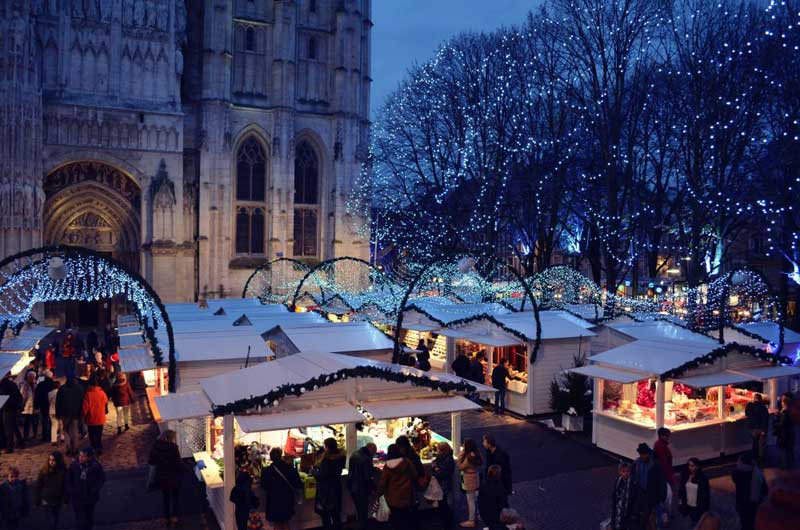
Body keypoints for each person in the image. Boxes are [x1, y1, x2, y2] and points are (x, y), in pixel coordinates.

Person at [260, 447, 303, 530]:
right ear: (281, 456)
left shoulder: (266, 471)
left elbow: (264, 486)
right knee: (285, 521)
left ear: (271, 457)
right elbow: (297, 483)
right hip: (287, 499)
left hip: (273, 500)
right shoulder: (289, 468)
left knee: (277, 523)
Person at [378, 443, 417, 530]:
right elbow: (414, 474)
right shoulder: (407, 462)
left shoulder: (387, 466)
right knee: (406, 517)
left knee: (395, 518)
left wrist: (379, 493)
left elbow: (383, 482)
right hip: (406, 494)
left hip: (393, 496)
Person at [149, 429, 183, 526]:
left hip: (161, 476)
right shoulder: (173, 448)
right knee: (175, 497)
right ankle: (175, 517)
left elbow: (151, 462)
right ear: (171, 438)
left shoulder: (155, 447)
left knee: (166, 497)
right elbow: (178, 463)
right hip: (173, 475)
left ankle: (167, 518)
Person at [66, 447, 105, 530]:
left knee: (88, 517)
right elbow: (68, 479)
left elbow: (101, 479)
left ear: (89, 457)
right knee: (79, 518)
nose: (80, 458)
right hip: (77, 497)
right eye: (80, 455)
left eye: (83, 456)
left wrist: (94, 490)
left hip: (90, 498)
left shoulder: (95, 466)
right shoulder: (74, 465)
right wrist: (72, 491)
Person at [312, 437, 346, 530]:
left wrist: (313, 471)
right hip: (336, 488)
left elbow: (322, 476)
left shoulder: (326, 460)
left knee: (325, 516)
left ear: (326, 447)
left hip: (326, 491)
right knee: (336, 514)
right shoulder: (340, 457)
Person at [631, 443, 666, 528]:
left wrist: (662, 497)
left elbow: (661, 481)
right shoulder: (637, 463)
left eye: (644, 454)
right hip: (642, 493)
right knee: (645, 515)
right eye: (641, 454)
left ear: (648, 453)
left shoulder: (655, 464)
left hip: (654, 494)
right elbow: (634, 477)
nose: (643, 456)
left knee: (657, 516)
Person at [731, 453, 767, 530]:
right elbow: (765, 489)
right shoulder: (757, 472)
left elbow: (733, 474)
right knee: (751, 521)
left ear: (742, 463)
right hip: (754, 503)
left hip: (742, 503)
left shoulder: (738, 473)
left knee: (744, 523)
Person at [34, 451, 68, 530]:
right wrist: (37, 500)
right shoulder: (44, 471)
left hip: (57, 500)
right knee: (50, 521)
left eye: (53, 460)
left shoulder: (63, 471)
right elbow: (38, 486)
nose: (51, 462)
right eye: (50, 460)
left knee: (56, 519)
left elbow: (66, 487)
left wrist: (66, 500)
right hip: (46, 500)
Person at [348, 442, 377, 530]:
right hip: (361, 488)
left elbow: (356, 470)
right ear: (370, 449)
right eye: (374, 452)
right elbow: (367, 477)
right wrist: (374, 488)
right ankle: (363, 527)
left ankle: (361, 525)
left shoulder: (355, 454)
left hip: (353, 486)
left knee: (359, 510)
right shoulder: (366, 459)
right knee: (363, 511)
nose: (374, 454)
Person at [55, 377, 85, 456]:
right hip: (76, 413)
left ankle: (68, 447)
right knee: (75, 431)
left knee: (66, 431)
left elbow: (58, 403)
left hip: (65, 414)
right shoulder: (79, 389)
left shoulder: (62, 389)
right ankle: (75, 448)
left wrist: (58, 413)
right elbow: (82, 401)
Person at [457, 438, 483, 528]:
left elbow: (460, 466)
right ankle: (478, 515)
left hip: (469, 478)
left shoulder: (468, 457)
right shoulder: (477, 454)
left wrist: (461, 453)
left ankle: (471, 520)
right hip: (475, 476)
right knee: (475, 498)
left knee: (470, 500)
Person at [678, 457, 710, 525]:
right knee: (693, 520)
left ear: (697, 466)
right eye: (689, 465)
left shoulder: (702, 478)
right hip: (688, 505)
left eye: (692, 466)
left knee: (697, 523)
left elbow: (705, 495)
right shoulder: (685, 475)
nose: (690, 467)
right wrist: (680, 502)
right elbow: (681, 490)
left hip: (697, 506)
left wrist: (705, 508)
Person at [653, 427, 675, 526]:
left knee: (666, 496)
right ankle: (664, 516)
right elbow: (664, 463)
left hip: (664, 475)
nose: (668, 438)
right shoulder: (661, 447)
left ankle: (665, 515)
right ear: (662, 436)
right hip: (664, 476)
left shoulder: (659, 445)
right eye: (667, 436)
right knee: (666, 496)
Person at [432, 441, 455, 530]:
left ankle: (446, 522)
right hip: (444, 484)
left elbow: (441, 472)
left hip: (443, 484)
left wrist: (436, 469)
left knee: (443, 503)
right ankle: (446, 520)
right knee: (443, 502)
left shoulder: (446, 459)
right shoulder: (447, 458)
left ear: (441, 450)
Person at [81, 376, 108, 454]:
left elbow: (85, 407)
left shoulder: (88, 394)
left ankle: (93, 448)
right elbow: (105, 401)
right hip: (100, 417)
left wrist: (83, 415)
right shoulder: (102, 393)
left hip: (91, 418)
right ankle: (99, 448)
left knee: (92, 435)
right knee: (99, 434)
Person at [0, 372, 23, 453]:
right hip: (3, 409)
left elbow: (17, 397)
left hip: (8, 409)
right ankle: (3, 446)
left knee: (8, 428)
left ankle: (9, 447)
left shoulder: (10, 384)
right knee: (3, 428)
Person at [482, 434, 512, 498]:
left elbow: (505, 472)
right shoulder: (489, 451)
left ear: (489, 444)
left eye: (484, 442)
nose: (483, 444)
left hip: (499, 483)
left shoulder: (501, 455)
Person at [478, 464, 507, 530]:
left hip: (486, 513)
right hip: (497, 514)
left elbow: (480, 501)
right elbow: (503, 503)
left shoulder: (484, 485)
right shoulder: (500, 486)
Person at [610, 462, 636, 530]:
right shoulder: (617, 481)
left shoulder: (633, 483)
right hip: (618, 511)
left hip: (628, 514)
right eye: (623, 471)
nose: (626, 474)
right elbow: (614, 498)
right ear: (619, 472)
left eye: (627, 471)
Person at [745, 394, 769, 463]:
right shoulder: (763, 408)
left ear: (754, 398)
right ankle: (760, 460)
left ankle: (754, 458)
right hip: (760, 429)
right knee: (761, 445)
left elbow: (747, 413)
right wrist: (764, 430)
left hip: (752, 429)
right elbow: (765, 419)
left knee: (755, 443)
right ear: (760, 399)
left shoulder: (750, 406)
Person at [35, 369, 56, 444]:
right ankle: (51, 436)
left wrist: (36, 405)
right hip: (52, 405)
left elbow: (36, 395)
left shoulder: (40, 384)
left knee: (44, 420)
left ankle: (44, 436)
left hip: (43, 405)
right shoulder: (54, 384)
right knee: (51, 421)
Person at [775, 393, 795, 469]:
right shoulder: (791, 410)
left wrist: (776, 420)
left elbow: (782, 424)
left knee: (783, 450)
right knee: (789, 449)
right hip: (790, 433)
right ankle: (790, 463)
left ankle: (785, 465)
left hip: (784, 434)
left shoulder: (784, 413)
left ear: (784, 403)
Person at [20, 369, 39, 441]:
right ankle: (26, 436)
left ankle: (35, 435)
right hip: (27, 407)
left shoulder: (36, 385)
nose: (32, 378)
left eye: (34, 377)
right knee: (27, 423)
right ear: (28, 377)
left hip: (34, 407)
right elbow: (23, 396)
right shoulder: (24, 385)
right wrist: (22, 405)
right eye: (31, 377)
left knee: (35, 422)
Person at [47, 380, 62, 445]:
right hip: (59, 410)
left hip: (52, 410)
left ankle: (53, 439)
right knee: (61, 424)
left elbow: (49, 401)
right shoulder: (61, 392)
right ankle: (62, 437)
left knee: (54, 426)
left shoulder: (49, 393)